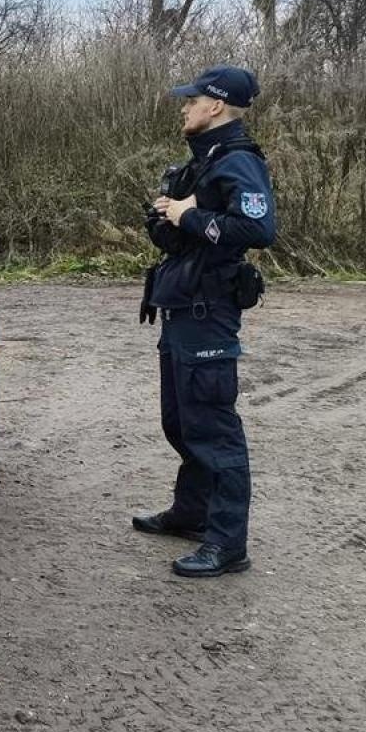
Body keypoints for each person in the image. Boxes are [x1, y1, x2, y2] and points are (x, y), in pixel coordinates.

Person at [134, 65, 277, 578]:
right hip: (182, 310)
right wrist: (167, 218)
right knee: (181, 420)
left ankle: (227, 543)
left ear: (215, 106)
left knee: (214, 429)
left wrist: (189, 216)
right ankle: (191, 513)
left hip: (209, 313)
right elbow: (184, 235)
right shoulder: (204, 161)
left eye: (191, 100)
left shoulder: (238, 161)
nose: (184, 107)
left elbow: (259, 228)